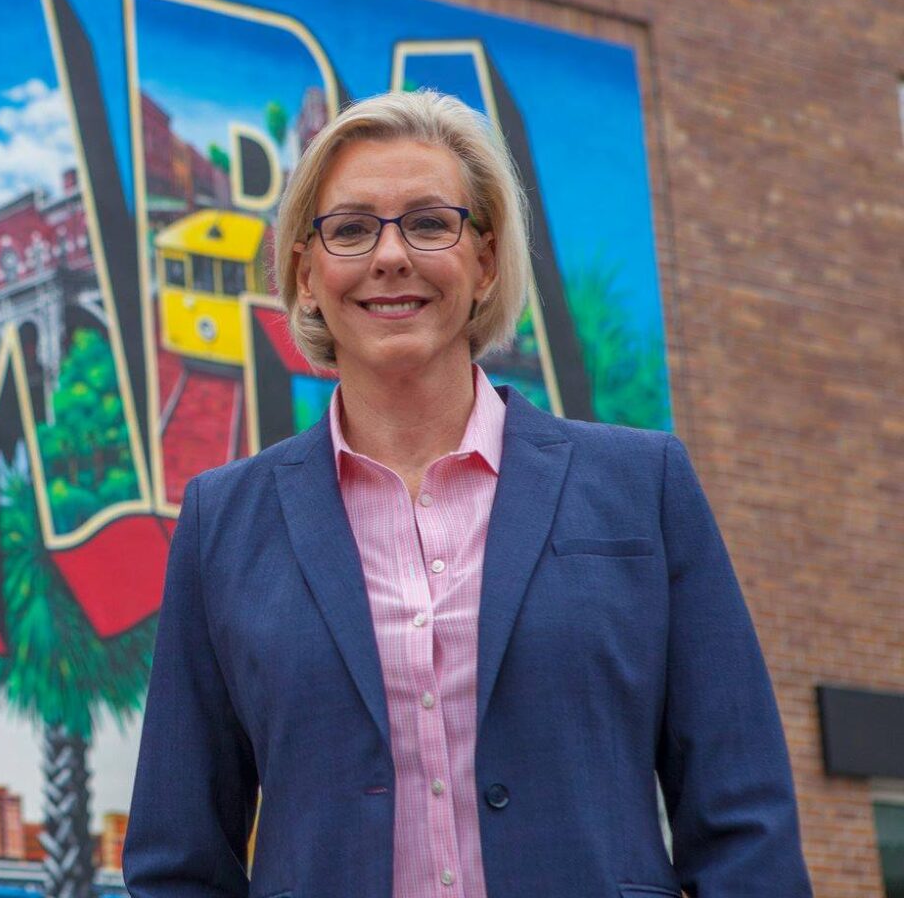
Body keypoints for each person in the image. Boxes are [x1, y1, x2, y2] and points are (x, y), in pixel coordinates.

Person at [122, 90, 810, 898]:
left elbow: (744, 826)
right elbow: (179, 862)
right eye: (351, 229)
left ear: (484, 262)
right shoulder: (223, 524)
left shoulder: (642, 486)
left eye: (428, 223)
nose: (390, 256)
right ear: (305, 275)